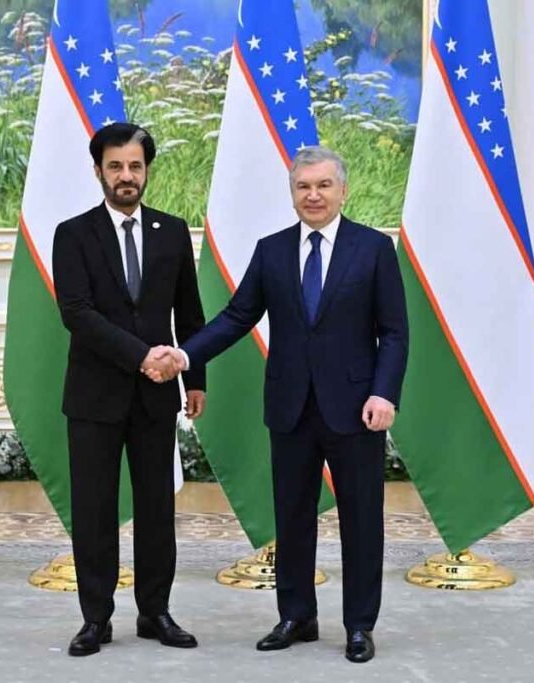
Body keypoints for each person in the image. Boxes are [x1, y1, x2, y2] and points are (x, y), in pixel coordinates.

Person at [150, 146, 408, 663]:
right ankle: (296, 615)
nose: (313, 195)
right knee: (291, 517)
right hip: (290, 407)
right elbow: (235, 317)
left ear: (343, 190)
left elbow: (395, 332)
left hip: (357, 408)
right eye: (303, 187)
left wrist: (384, 392)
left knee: (362, 520)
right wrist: (185, 355)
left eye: (323, 185)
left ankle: (359, 625)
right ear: (292, 194)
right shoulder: (271, 251)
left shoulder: (374, 249)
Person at [51, 122, 206, 657]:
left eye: (135, 166)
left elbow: (189, 312)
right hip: (94, 397)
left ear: (147, 170)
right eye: (115, 166)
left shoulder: (172, 231)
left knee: (157, 510)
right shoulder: (73, 234)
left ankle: (155, 612)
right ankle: (95, 618)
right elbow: (77, 313)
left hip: (157, 396)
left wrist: (195, 379)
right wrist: (143, 356)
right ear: (98, 170)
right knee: (95, 511)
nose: (126, 176)